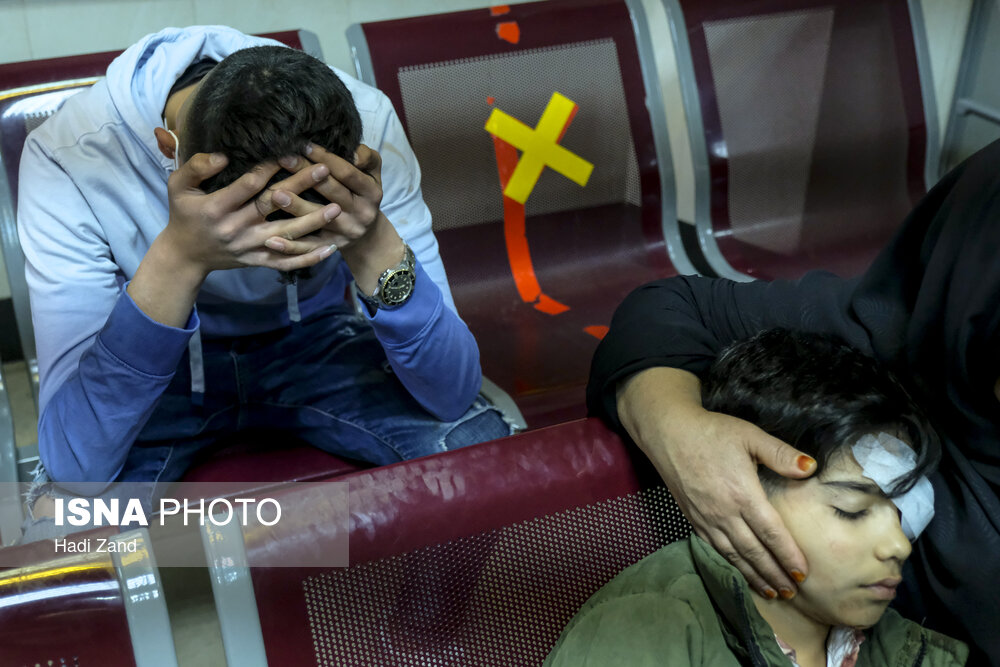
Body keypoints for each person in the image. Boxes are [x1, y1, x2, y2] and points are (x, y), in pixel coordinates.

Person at [17, 26, 511, 535]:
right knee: (61, 522)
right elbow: (76, 466)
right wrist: (179, 258)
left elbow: (452, 392)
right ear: (169, 150)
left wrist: (370, 240)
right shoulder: (67, 156)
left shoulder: (363, 128)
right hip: (160, 368)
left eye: (304, 241)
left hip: (314, 342)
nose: (271, 262)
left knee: (480, 456)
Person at [587, 138, 1000, 664]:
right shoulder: (890, 339)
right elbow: (664, 315)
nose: (897, 544)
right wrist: (680, 431)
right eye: (853, 509)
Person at [547, 330, 967, 666]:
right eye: (851, 510)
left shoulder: (904, 650)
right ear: (740, 490)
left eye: (902, 512)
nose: (897, 545)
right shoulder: (646, 635)